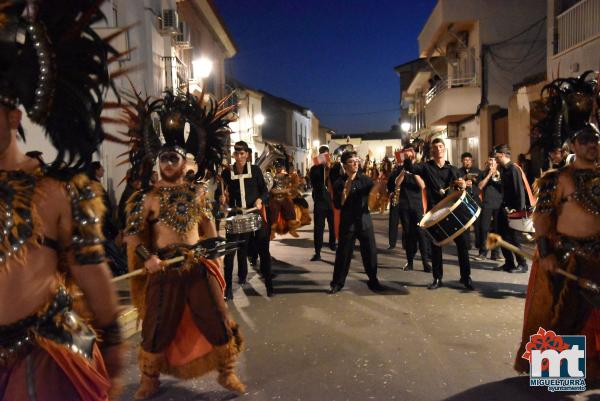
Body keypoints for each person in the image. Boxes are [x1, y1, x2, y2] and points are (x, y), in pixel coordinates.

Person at [0, 1, 126, 399]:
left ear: (13, 118)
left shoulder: (57, 191)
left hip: (42, 358)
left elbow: (92, 271)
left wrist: (113, 333)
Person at [123, 91, 245, 399]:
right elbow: (134, 236)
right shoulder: (147, 198)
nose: (167, 163)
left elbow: (208, 229)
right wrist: (147, 258)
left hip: (197, 267)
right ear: (157, 162)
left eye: (172, 158)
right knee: (156, 325)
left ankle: (226, 372)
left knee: (217, 317)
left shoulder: (197, 194)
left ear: (184, 161)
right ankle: (149, 378)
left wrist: (214, 254)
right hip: (163, 270)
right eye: (162, 158)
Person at [515, 123, 600, 377]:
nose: (592, 145)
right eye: (584, 140)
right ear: (572, 145)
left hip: (598, 258)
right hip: (569, 257)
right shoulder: (557, 178)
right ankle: (558, 377)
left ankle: (590, 369)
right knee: (564, 318)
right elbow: (542, 217)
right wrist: (546, 252)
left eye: (595, 139)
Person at [404, 138, 473, 290]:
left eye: (441, 146)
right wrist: (408, 160)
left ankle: (466, 277)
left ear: (444, 149)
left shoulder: (453, 169)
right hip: (435, 211)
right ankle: (437, 278)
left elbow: (461, 188)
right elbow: (411, 169)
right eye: (435, 147)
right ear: (432, 151)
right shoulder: (425, 167)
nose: (439, 149)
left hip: (453, 210)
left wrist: (463, 185)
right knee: (436, 246)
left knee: (462, 244)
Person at [220, 141, 273, 299]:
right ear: (234, 155)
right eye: (236, 153)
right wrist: (221, 197)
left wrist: (259, 200)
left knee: (264, 250)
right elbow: (220, 193)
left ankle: (269, 285)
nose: (239, 156)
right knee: (230, 252)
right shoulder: (227, 173)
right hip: (236, 215)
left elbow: (265, 192)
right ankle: (228, 288)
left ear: (247, 154)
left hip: (254, 214)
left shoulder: (255, 170)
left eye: (242, 153)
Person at [328, 151, 383, 294]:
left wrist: (380, 189)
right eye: (352, 162)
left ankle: (373, 280)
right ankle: (337, 283)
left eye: (357, 161)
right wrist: (343, 194)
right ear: (345, 165)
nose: (356, 164)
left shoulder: (365, 180)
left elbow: (374, 196)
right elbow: (338, 205)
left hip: (364, 221)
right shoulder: (339, 182)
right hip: (348, 223)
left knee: (370, 253)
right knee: (343, 254)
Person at [387, 145, 431, 271]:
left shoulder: (420, 168)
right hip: (404, 206)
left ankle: (425, 262)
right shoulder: (399, 168)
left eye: (411, 153)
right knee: (408, 234)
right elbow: (396, 183)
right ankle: (410, 262)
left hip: (417, 206)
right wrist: (404, 170)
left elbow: (422, 185)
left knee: (421, 234)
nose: (410, 155)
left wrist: (413, 170)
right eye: (407, 153)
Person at [493, 144, 534, 273]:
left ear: (504, 154)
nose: (495, 157)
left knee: (514, 238)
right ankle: (509, 262)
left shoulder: (513, 169)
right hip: (503, 207)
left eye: (497, 154)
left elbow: (519, 191)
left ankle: (522, 264)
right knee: (502, 237)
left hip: (513, 210)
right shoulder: (501, 169)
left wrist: (518, 211)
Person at [474, 154, 503, 261]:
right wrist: (489, 174)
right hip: (486, 204)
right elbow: (480, 186)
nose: (492, 161)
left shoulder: (501, 172)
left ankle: (495, 253)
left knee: (496, 229)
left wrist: (496, 174)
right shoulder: (483, 173)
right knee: (484, 228)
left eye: (494, 160)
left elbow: (503, 186)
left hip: (499, 204)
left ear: (497, 162)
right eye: (490, 159)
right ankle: (483, 252)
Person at [309, 145, 336, 261]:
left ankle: (332, 244)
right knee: (318, 228)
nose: (325, 156)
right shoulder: (315, 168)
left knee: (333, 226)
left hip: (332, 201)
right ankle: (317, 252)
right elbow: (314, 182)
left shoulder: (334, 167)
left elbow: (338, 180)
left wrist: (330, 169)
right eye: (323, 154)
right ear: (320, 155)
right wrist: (321, 168)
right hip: (320, 201)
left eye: (327, 154)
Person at [269, 159, 300, 238]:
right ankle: (272, 233)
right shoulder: (271, 177)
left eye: (280, 166)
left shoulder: (287, 176)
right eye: (277, 167)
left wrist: (290, 189)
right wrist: (276, 191)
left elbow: (292, 186)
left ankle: (292, 229)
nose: (279, 168)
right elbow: (269, 188)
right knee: (273, 215)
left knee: (291, 211)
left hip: (285, 197)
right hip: (275, 198)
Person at [458, 152, 482, 251]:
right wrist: (464, 181)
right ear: (462, 161)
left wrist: (473, 181)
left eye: (469, 160)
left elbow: (481, 183)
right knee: (466, 224)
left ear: (472, 161)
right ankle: (467, 245)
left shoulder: (477, 171)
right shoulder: (459, 171)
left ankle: (479, 244)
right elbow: (456, 182)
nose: (467, 162)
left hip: (475, 199)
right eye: (465, 160)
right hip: (464, 200)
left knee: (478, 223)